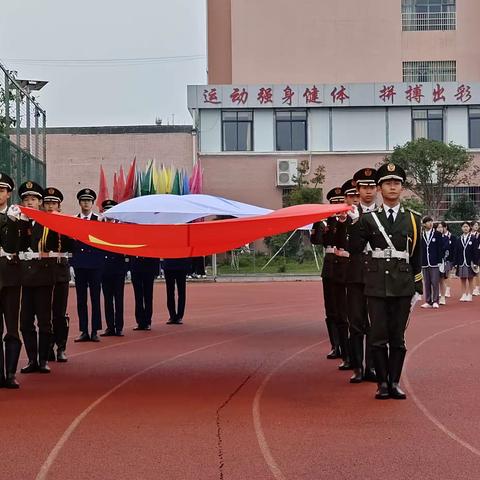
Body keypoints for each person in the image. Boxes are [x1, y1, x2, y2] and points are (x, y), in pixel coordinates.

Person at [350, 163, 422, 400]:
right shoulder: (369, 219)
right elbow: (355, 249)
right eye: (388, 183)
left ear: (401, 188)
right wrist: (350, 225)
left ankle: (394, 381)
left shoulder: (413, 219)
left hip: (402, 284)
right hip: (377, 284)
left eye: (397, 183)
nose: (393, 186)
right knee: (378, 336)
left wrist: (418, 286)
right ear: (380, 188)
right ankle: (381, 383)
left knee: (398, 338)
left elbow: (417, 255)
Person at [16, 181, 57, 374]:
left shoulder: (49, 222)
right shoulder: (18, 223)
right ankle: (31, 359)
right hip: (24, 278)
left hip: (43, 276)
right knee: (25, 321)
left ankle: (43, 359)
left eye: (33, 199)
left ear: (40, 202)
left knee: (44, 321)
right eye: (26, 199)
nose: (29, 202)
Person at [346, 168, 378, 384]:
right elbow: (348, 244)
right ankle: (357, 366)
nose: (368, 191)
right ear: (357, 189)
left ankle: (372, 367)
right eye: (363, 187)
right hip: (356, 273)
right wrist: (354, 223)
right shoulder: (347, 214)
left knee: (376, 324)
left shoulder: (384, 213)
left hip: (377, 273)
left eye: (371, 187)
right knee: (356, 322)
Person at [310, 187, 343, 360]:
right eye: (334, 202)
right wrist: (318, 222)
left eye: (340, 201)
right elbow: (316, 240)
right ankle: (335, 345)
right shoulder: (324, 222)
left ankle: (348, 345)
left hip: (347, 265)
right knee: (331, 309)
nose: (337, 205)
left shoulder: (351, 219)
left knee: (347, 308)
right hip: (330, 266)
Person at [333, 179, 360, 371]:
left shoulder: (369, 215)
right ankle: (347, 354)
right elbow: (334, 241)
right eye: (351, 196)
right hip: (343, 271)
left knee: (362, 319)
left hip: (363, 273)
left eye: (357, 195)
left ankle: (365, 362)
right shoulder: (339, 218)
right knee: (344, 315)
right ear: (345, 198)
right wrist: (342, 221)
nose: (355, 199)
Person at [70, 188, 104, 342]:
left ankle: (95, 330)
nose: (86, 203)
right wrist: (71, 263)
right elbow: (70, 244)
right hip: (80, 264)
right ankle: (84, 330)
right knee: (81, 300)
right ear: (79, 203)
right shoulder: (73, 220)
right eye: (83, 200)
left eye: (89, 201)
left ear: (92, 203)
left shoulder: (99, 220)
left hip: (95, 264)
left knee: (95, 298)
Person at [44, 187, 73, 362]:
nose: (50, 206)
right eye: (47, 203)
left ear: (59, 206)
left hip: (61, 273)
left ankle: (61, 347)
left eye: (53, 203)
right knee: (44, 314)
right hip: (43, 274)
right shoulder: (38, 223)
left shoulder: (65, 223)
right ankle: (47, 348)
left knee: (59, 313)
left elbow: (71, 247)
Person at [0, 173, 22, 388]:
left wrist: (16, 222)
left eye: (1, 190)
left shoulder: (17, 214)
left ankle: (10, 373)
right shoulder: (9, 217)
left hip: (12, 277)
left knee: (12, 328)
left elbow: (21, 243)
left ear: (8, 193)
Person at [100, 200, 127, 337]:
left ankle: (119, 327)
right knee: (107, 299)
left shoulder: (121, 227)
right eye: (107, 211)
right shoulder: (100, 227)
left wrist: (126, 267)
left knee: (119, 298)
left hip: (118, 268)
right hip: (104, 269)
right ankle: (110, 327)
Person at [130, 256, 160, 330]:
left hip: (149, 267)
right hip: (136, 267)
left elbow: (155, 251)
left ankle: (147, 321)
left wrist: (156, 270)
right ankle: (140, 322)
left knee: (148, 296)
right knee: (138, 297)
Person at [420, 216, 444, 309]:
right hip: (425, 262)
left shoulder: (437, 234)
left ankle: (435, 301)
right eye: (428, 222)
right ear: (424, 224)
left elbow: (440, 248)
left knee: (435, 282)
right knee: (426, 283)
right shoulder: (421, 234)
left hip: (435, 262)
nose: (430, 223)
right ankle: (428, 301)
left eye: (431, 221)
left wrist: (440, 261)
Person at [162, 257, 192, 324]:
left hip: (179, 265)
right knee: (171, 292)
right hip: (170, 265)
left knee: (179, 292)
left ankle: (178, 316)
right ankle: (173, 315)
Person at [454, 221, 478, 302]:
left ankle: (470, 295)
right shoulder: (458, 239)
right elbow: (456, 252)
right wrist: (455, 263)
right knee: (462, 279)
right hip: (461, 262)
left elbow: (475, 251)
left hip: (470, 262)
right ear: (461, 228)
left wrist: (475, 263)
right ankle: (464, 294)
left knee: (470, 279)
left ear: (469, 228)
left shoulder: (473, 238)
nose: (465, 228)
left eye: (467, 226)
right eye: (464, 227)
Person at [436, 221, 455, 305]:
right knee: (433, 280)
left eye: (441, 227)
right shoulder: (433, 237)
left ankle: (443, 295)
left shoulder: (447, 238)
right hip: (433, 262)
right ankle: (433, 297)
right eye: (438, 227)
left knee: (442, 278)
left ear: (445, 227)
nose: (440, 229)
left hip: (444, 261)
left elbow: (446, 248)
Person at [471, 220, 480, 296]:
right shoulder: (469, 235)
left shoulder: (479, 235)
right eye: (475, 225)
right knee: (471, 273)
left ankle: (477, 288)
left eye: (477, 225)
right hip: (469, 256)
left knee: (477, 272)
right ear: (471, 226)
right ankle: (473, 288)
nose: (476, 227)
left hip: (478, 255)